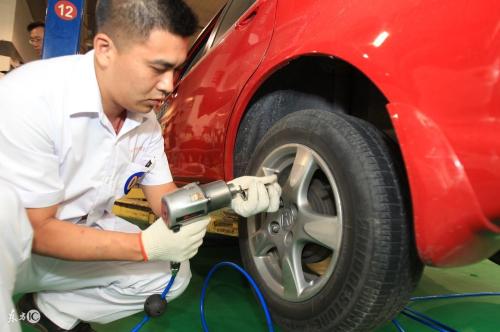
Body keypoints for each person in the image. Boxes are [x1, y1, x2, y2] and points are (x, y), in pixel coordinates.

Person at [0, 1, 281, 332]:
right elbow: (37, 231)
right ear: (105, 49)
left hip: (76, 238)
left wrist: (227, 195)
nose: (169, 85)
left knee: (172, 274)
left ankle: (52, 311)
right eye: (158, 68)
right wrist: (142, 247)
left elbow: (166, 202)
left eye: (175, 70)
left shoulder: (145, 124)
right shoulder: (29, 97)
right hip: (13, 251)